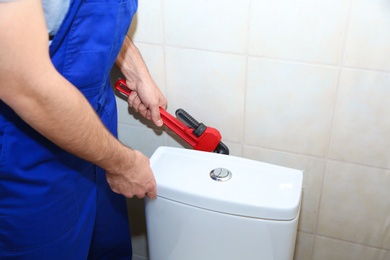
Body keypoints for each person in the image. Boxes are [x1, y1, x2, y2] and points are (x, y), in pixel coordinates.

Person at [0, 0, 167, 259]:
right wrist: (124, 165)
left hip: (95, 125)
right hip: (30, 149)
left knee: (108, 247)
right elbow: (24, 83)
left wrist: (134, 68)